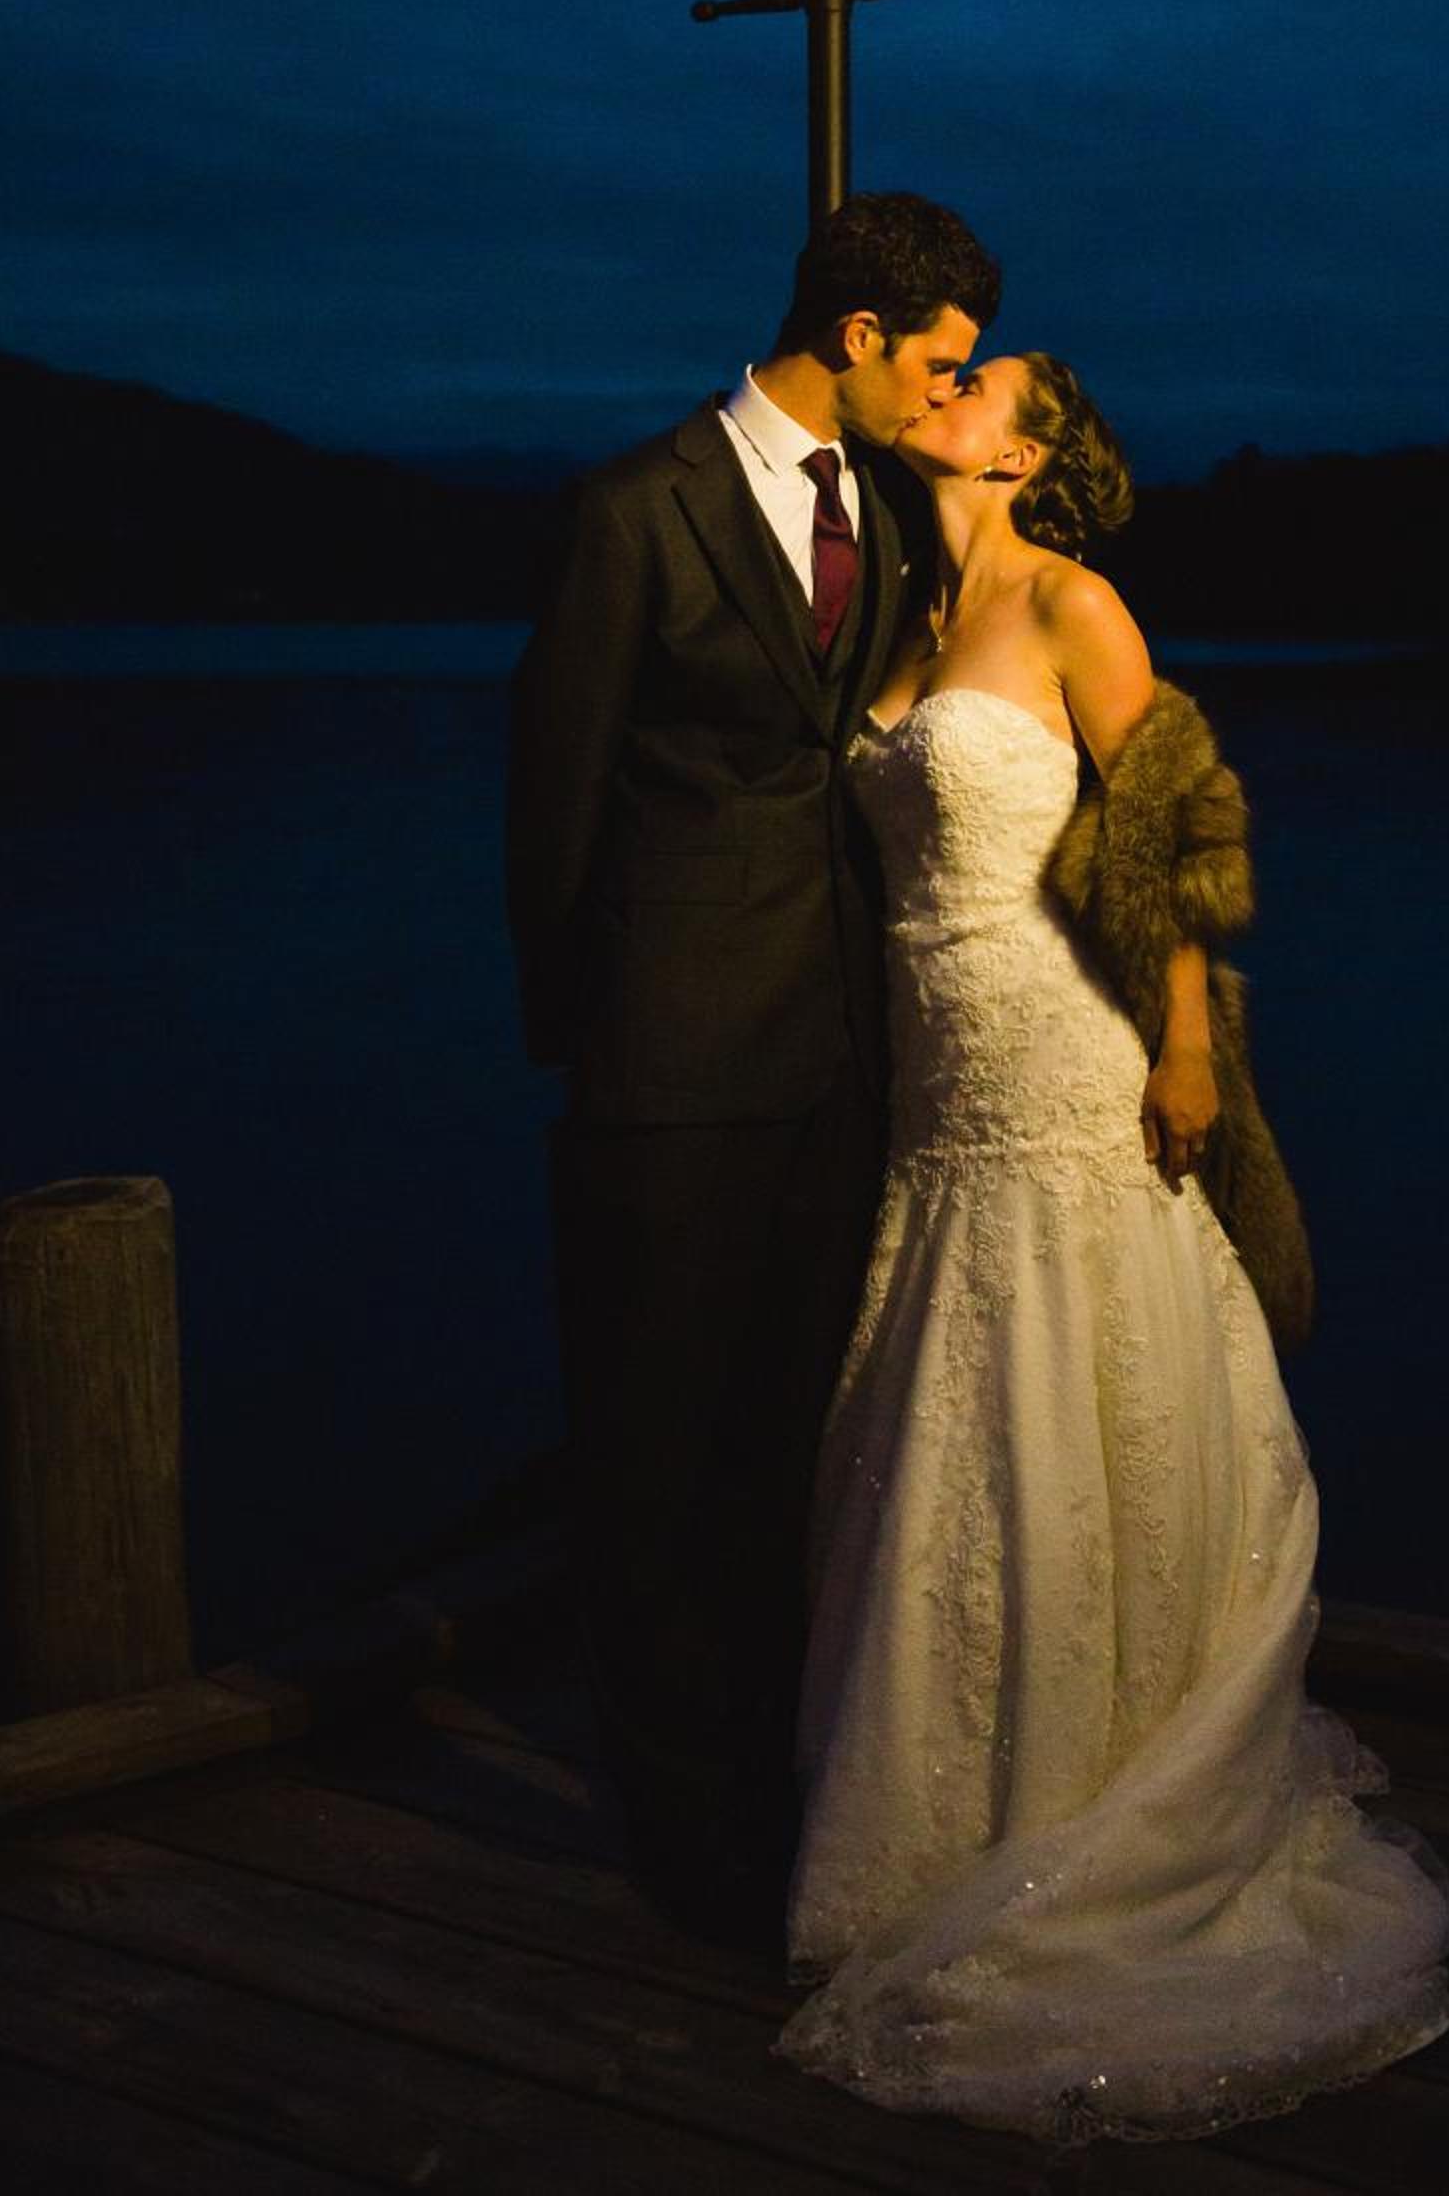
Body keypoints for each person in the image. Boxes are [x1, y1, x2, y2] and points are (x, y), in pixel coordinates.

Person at [776, 351, 1449, 2138]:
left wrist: (1180, 1045)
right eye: (945, 368)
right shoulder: (907, 615)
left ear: (1026, 450)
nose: (947, 385)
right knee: (953, 1397)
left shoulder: (1076, 603)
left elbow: (1163, 836)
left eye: (979, 380)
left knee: (1085, 1372)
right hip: (939, 1063)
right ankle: (959, 1799)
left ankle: (1117, 1772)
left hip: (1066, 1040)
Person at [503, 192, 1001, 1947]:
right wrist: (594, 1048)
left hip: (842, 1065)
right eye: (934, 362)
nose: (946, 395)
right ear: (859, 335)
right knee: (653, 1458)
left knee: (796, 1453)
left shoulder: (893, 507)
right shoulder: (635, 511)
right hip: (668, 1073)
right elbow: (553, 806)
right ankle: (682, 1838)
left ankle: (788, 1793)